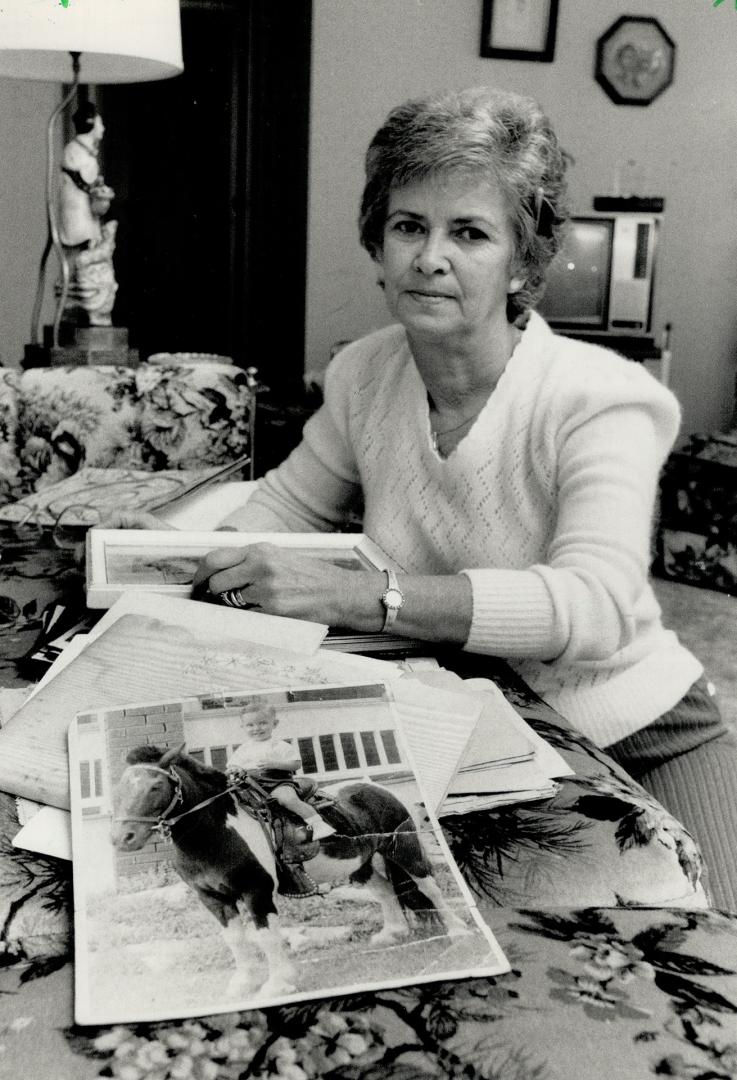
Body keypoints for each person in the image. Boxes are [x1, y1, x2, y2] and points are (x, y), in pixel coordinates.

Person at [115, 86, 737, 908]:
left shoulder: (602, 399)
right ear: (378, 241)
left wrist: (366, 598)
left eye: (469, 232)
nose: (428, 256)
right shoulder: (364, 370)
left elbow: (596, 606)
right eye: (408, 225)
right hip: (469, 718)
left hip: (636, 723)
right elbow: (292, 504)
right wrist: (174, 546)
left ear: (522, 262)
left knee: (716, 945)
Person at [227, 702, 335, 841]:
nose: (256, 728)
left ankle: (318, 825)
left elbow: (296, 764)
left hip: (276, 782)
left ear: (275, 723)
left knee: (287, 800)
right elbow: (233, 765)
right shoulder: (244, 748)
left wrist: (276, 764)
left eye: (262, 723)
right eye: (250, 725)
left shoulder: (280, 746)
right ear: (243, 727)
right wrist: (235, 769)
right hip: (251, 785)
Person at [58, 102, 118, 325]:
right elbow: (83, 179)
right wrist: (97, 188)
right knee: (79, 250)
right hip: (76, 209)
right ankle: (77, 302)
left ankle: (89, 302)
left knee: (91, 248)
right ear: (91, 123)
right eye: (100, 123)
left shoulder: (86, 150)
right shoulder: (74, 150)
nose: (103, 128)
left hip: (86, 208)